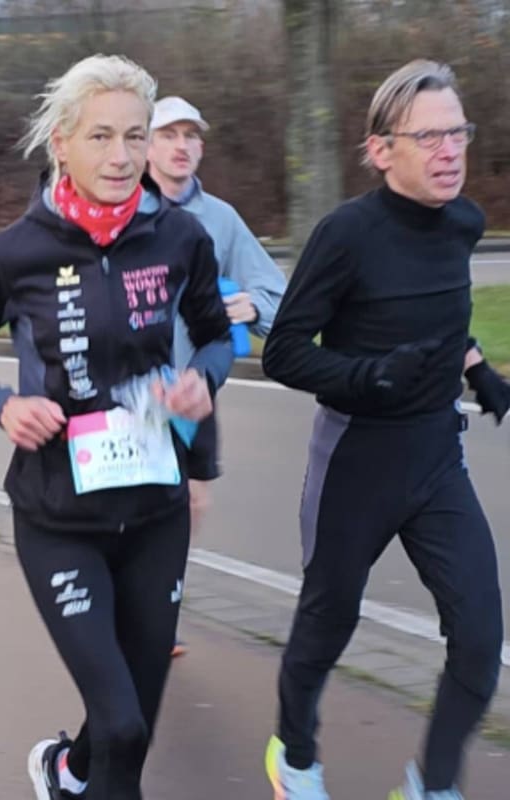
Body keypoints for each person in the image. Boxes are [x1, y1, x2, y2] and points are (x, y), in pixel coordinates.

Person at [0, 54, 233, 800]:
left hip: (157, 511)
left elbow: (217, 336)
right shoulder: (16, 251)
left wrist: (204, 382)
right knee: (123, 727)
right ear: (61, 143)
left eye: (135, 136)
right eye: (101, 137)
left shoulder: (181, 238)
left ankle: (66, 773)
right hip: (59, 516)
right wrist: (2, 405)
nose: (122, 157)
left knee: (127, 726)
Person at [261, 60, 508, 800]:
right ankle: (294, 756)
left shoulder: (464, 223)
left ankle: (430, 787)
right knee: (327, 622)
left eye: (457, 132)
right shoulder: (345, 235)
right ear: (381, 151)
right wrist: (366, 378)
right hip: (355, 460)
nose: (450, 150)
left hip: (436, 459)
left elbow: (441, 320)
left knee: (480, 637)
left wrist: (477, 368)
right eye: (428, 136)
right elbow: (283, 352)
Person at [146, 95, 288, 656]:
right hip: (136, 388)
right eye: (168, 135)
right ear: (147, 144)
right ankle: (128, 608)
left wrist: (253, 306)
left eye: (191, 136)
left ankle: (159, 610)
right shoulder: (126, 204)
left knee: (190, 506)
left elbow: (276, 291)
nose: (182, 146)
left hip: (196, 389)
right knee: (133, 507)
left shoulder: (221, 219)